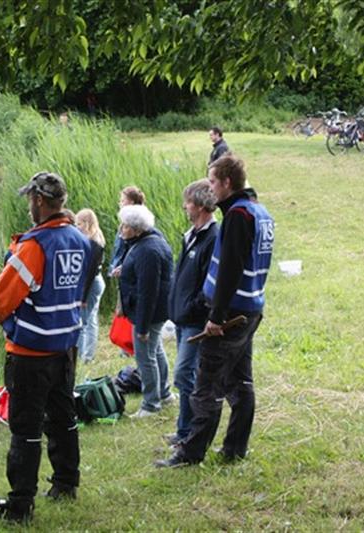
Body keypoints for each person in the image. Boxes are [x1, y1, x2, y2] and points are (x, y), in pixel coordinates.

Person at [0, 171, 91, 523]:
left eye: (30, 199)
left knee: (25, 430)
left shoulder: (33, 247)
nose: (29, 205)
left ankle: (20, 506)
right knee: (63, 418)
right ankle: (66, 483)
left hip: (30, 352)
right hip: (65, 347)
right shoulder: (79, 240)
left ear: (40, 201)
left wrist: (8, 321)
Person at [156, 154, 274, 467]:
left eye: (212, 182)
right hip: (251, 308)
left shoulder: (238, 215)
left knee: (206, 386)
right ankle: (235, 448)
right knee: (240, 382)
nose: (210, 188)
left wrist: (216, 317)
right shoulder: (260, 212)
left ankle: (190, 453)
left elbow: (230, 270)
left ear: (227, 182)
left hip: (231, 315)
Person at [165, 179, 218, 446]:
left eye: (187, 202)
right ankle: (184, 430)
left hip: (195, 320)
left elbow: (210, 283)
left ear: (199, 205)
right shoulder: (191, 235)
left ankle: (191, 433)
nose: (185, 206)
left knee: (184, 374)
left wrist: (192, 307)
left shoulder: (213, 237)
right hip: (182, 317)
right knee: (188, 374)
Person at [117, 204, 175, 418]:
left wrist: (141, 327)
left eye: (125, 226)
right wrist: (125, 270)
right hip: (156, 311)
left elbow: (148, 291)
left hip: (150, 313)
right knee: (155, 350)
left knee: (145, 356)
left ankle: (151, 404)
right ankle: (164, 394)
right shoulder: (150, 241)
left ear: (136, 229)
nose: (121, 229)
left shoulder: (147, 250)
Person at [74, 208, 106, 363]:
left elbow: (89, 273)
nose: (77, 227)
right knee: (91, 320)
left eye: (79, 224)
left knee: (82, 322)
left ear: (87, 223)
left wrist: (83, 297)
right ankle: (87, 355)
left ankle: (82, 356)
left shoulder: (93, 243)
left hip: (92, 284)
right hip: (96, 281)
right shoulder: (94, 239)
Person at [107, 186, 146, 277]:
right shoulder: (125, 222)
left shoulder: (138, 223)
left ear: (131, 202)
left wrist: (125, 267)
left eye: (122, 201)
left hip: (129, 273)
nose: (120, 204)